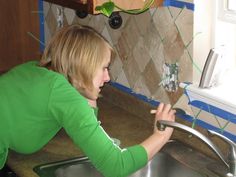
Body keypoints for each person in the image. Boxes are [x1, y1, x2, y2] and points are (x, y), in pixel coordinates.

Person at [0, 24, 175, 177]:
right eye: (104, 68)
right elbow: (117, 166)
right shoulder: (64, 96)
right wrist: (161, 135)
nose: (108, 77)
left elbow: (76, 124)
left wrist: (88, 97)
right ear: (82, 67)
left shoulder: (33, 71)